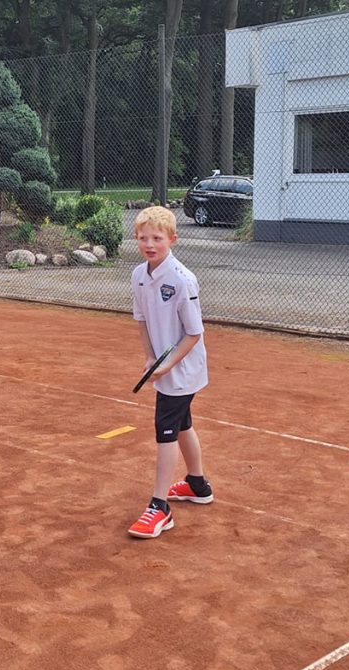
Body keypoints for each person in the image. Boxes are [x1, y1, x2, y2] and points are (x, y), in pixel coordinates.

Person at [127, 206, 212, 539]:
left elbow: (194, 333)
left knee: (165, 430)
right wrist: (150, 357)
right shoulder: (138, 275)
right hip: (165, 368)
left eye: (157, 238)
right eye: (143, 238)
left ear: (172, 239)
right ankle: (197, 485)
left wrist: (167, 365)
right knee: (182, 424)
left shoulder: (181, 280)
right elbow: (141, 320)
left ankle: (159, 507)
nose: (150, 244)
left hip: (184, 370)